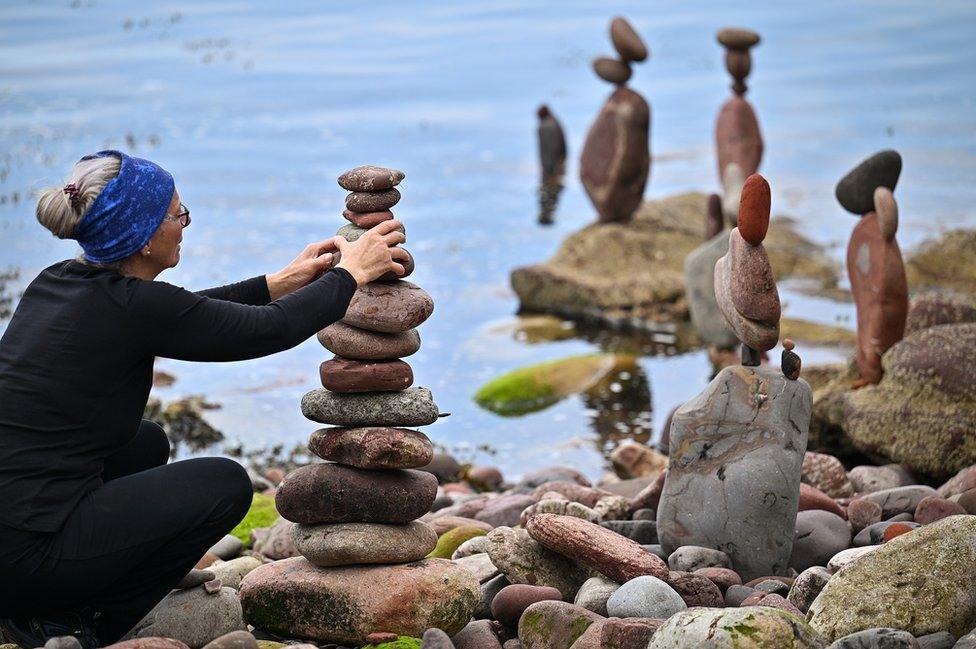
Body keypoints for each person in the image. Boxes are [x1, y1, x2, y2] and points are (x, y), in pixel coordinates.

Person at [0, 150, 409, 648]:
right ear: (146, 235)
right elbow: (265, 331)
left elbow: (187, 313)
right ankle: (74, 622)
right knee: (225, 483)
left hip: (13, 536)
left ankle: (80, 583)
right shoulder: (136, 308)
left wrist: (277, 283)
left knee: (144, 442)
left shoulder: (58, 284)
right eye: (178, 214)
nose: (184, 224)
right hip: (28, 559)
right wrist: (351, 275)